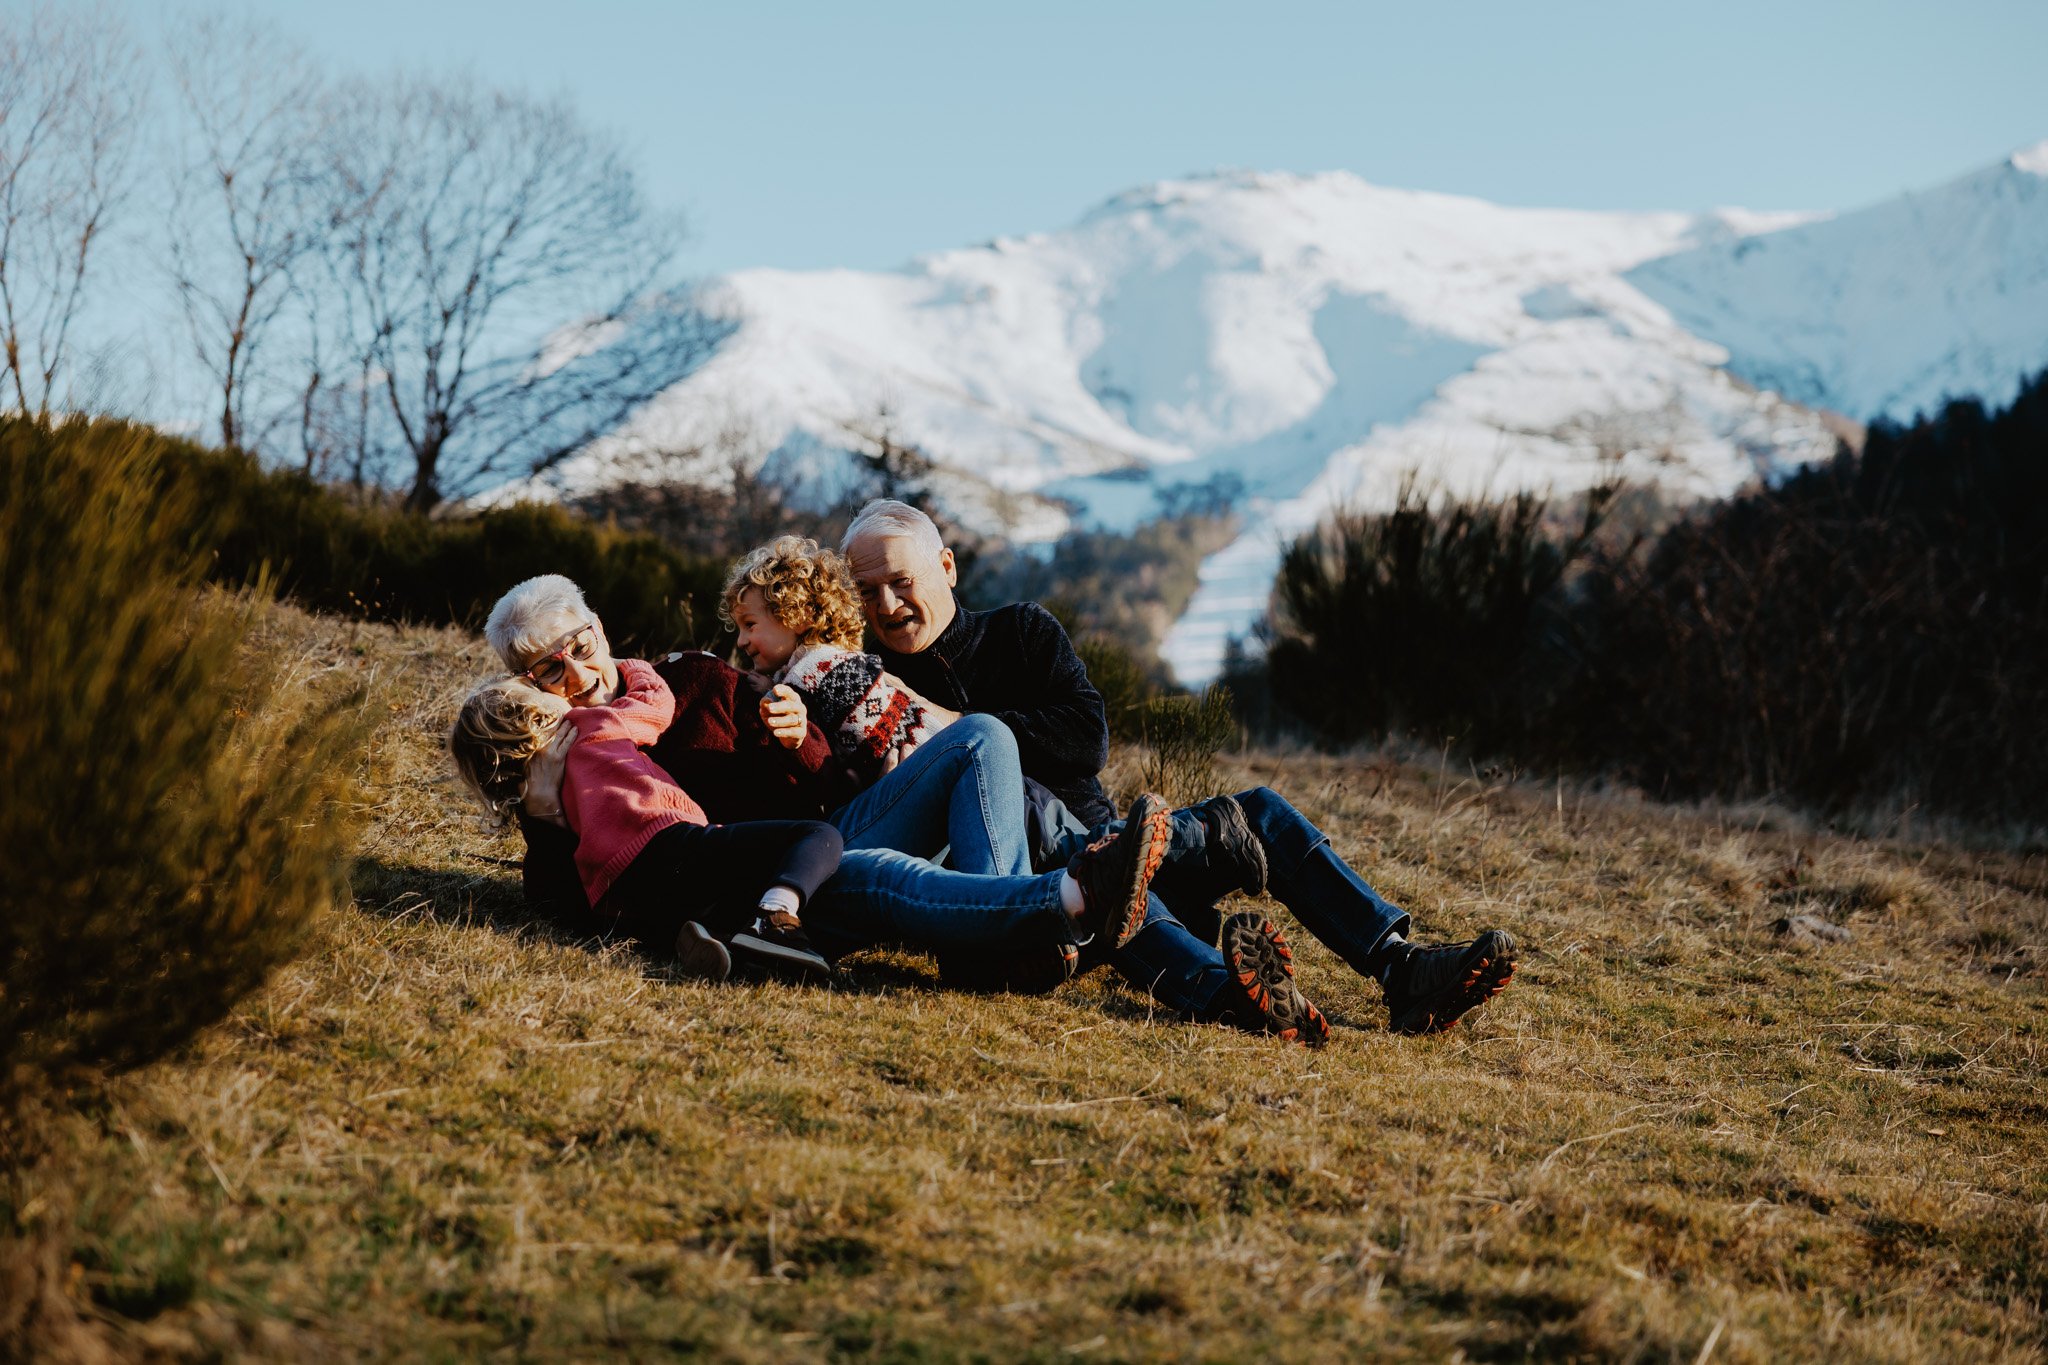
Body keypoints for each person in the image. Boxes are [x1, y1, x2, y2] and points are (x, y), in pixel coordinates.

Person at [484, 573, 1331, 1042]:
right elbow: (567, 893)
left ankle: (998, 942)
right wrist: (543, 802)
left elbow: (825, 784)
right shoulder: (557, 760)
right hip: (767, 889)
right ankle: (1133, 947)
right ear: (527, 681)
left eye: (581, 647)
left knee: (983, 737)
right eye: (549, 669)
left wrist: (794, 737)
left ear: (600, 626)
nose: (577, 675)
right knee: (885, 869)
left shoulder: (695, 675)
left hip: (811, 837)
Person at [841, 498, 1518, 1035]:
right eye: (868, 592)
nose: (888, 606)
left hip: (1113, 839)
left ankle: (1402, 969)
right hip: (1036, 888)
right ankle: (1233, 993)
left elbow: (1087, 738)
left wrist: (971, 730)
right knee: (1124, 884)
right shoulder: (868, 693)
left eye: (901, 582)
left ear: (948, 567)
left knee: (1259, 812)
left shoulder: (1021, 631)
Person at [447, 662, 842, 981]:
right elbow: (655, 705)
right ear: (538, 713)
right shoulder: (590, 725)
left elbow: (549, 888)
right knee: (818, 835)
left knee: (705, 906)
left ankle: (707, 940)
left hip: (616, 891)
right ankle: (775, 917)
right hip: (669, 842)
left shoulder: (534, 787)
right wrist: (629, 666)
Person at [722, 534, 942, 786]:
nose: (741, 641)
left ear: (797, 616)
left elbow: (818, 729)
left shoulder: (821, 664)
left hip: (928, 762)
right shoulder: (810, 666)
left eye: (750, 625)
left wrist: (772, 692)